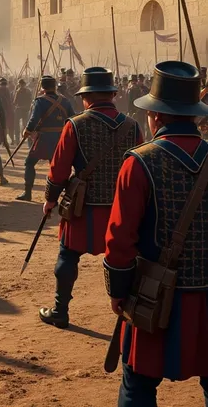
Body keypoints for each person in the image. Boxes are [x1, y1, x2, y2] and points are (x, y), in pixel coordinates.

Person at [105, 61, 208, 407]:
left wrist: (118, 292)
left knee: (137, 388)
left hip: (155, 297)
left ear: (157, 117)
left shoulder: (139, 162)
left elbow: (119, 240)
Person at [40, 67, 142, 328]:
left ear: (86, 97)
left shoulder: (75, 125)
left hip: (83, 209)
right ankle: (131, 312)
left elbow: (59, 168)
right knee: (130, 259)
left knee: (67, 256)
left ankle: (60, 311)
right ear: (113, 95)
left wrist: (50, 199)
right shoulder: (132, 126)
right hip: (123, 208)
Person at [16, 76, 74, 202]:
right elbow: (72, 118)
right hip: (60, 138)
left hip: (44, 139)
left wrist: (28, 130)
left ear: (42, 87)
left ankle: (27, 193)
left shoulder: (40, 101)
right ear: (54, 86)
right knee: (56, 167)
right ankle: (60, 197)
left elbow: (34, 118)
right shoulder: (65, 101)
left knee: (29, 163)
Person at [0, 78, 15, 144]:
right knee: (9, 127)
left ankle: (4, 140)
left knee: (3, 127)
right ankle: (10, 140)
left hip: (3, 111)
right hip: (9, 111)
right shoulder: (7, 90)